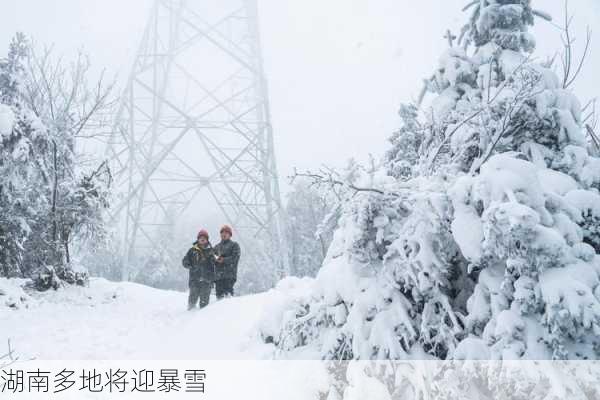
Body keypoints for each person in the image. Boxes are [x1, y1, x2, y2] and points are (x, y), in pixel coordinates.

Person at [182, 230, 216, 310]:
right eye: (201, 237)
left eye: (204, 238)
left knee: (204, 307)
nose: (202, 239)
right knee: (191, 303)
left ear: (207, 239)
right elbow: (184, 261)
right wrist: (188, 264)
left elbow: (218, 261)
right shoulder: (192, 250)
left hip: (207, 281)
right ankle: (188, 318)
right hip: (194, 280)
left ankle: (202, 320)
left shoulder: (212, 251)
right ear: (198, 239)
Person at [214, 225, 240, 299]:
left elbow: (235, 258)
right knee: (219, 299)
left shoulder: (234, 245)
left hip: (229, 275)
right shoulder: (216, 247)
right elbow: (211, 259)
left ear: (230, 235)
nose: (224, 234)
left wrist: (224, 260)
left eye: (226, 232)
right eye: (222, 232)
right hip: (218, 277)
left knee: (228, 298)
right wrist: (215, 260)